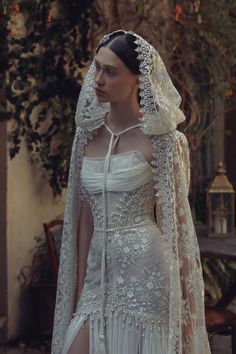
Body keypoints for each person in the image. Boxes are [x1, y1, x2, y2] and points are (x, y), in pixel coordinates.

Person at [51, 30, 211, 354]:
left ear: (138, 79)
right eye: (97, 67)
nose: (97, 79)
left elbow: (178, 229)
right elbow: (85, 223)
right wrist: (82, 289)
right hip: (98, 281)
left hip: (148, 279)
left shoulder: (164, 141)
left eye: (110, 72)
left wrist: (189, 313)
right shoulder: (85, 137)